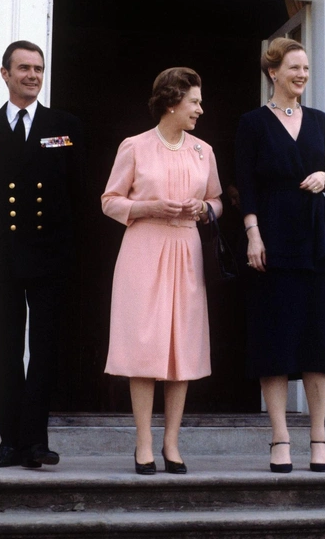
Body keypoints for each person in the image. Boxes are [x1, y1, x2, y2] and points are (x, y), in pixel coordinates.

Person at [0, 40, 85, 468]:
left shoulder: (65, 125)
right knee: (6, 349)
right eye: (24, 68)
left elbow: (77, 191)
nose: (32, 75)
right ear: (5, 74)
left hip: (50, 254)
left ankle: (36, 441)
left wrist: (57, 243)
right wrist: (9, 233)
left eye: (38, 68)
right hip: (3, 253)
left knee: (46, 347)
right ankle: (9, 442)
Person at [101, 67, 222, 475]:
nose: (200, 110)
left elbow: (217, 200)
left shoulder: (203, 151)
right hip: (144, 249)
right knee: (145, 345)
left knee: (181, 345)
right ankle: (144, 442)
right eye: (194, 102)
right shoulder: (134, 146)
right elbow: (109, 200)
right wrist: (147, 207)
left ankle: (172, 441)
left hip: (186, 249)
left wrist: (204, 208)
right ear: (172, 102)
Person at [234, 38, 325, 474]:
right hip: (273, 235)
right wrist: (253, 235)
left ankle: (318, 438)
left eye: (305, 68)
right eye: (294, 68)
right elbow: (246, 184)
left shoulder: (319, 120)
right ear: (273, 72)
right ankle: (280, 437)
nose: (302, 75)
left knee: (319, 338)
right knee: (274, 338)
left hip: (318, 239)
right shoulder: (252, 123)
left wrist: (324, 176)